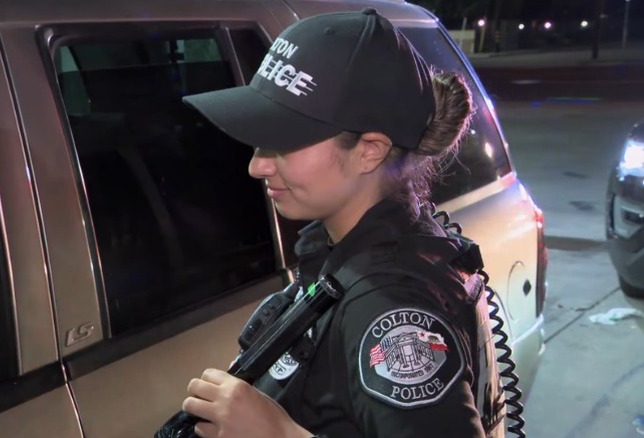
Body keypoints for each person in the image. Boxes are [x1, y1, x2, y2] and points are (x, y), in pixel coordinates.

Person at [178, 8, 506, 438]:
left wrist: (281, 435)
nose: (257, 166)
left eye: (283, 140)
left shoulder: (388, 302)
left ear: (370, 150)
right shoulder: (351, 255)